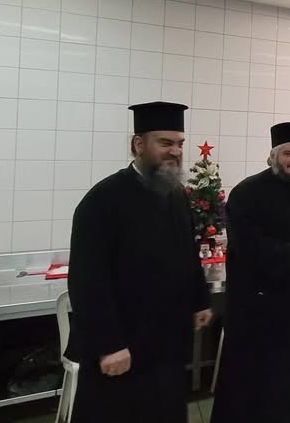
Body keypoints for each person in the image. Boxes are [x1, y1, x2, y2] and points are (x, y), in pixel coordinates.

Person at [66, 101, 212, 423]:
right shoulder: (103, 199)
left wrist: (199, 300)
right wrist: (109, 344)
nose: (176, 151)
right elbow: (87, 280)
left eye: (180, 143)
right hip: (124, 346)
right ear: (138, 144)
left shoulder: (176, 194)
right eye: (165, 142)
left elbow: (187, 252)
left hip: (167, 343)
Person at [211, 122, 290, 423]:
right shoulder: (247, 192)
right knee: (254, 390)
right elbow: (246, 243)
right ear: (272, 156)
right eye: (288, 154)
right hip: (260, 311)